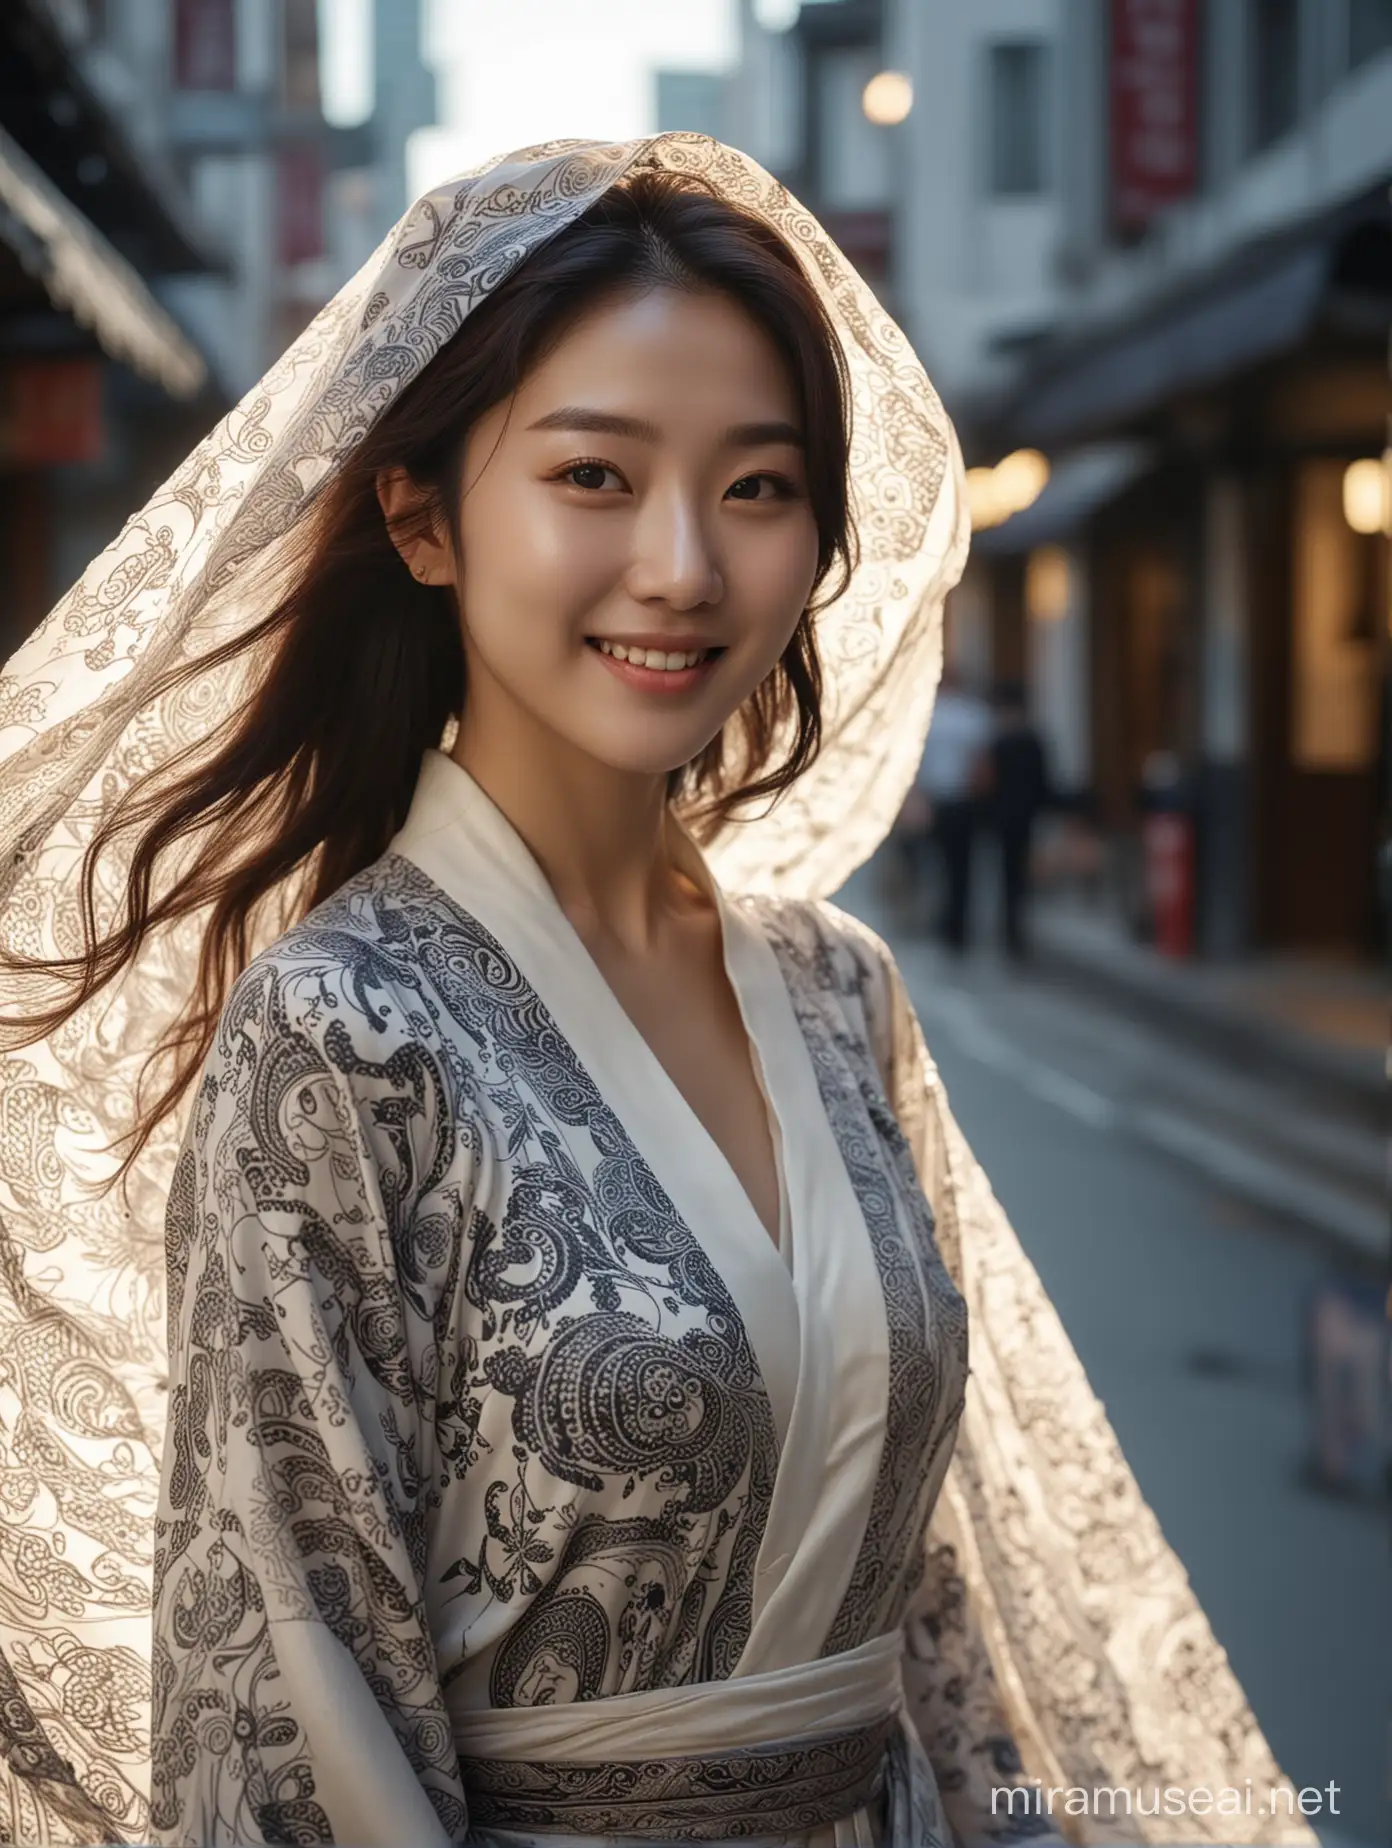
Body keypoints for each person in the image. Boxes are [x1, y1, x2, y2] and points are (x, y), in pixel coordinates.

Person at [0, 138, 1317, 1848]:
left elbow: (935, 1596)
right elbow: (293, 1689)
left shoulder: (837, 988)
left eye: (758, 487)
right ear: (421, 515)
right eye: (596, 476)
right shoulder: (342, 1027)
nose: (685, 564)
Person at [913, 665, 992, 952]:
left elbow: (917, 762)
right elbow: (980, 764)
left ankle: (946, 922)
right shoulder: (973, 715)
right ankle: (957, 924)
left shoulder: (930, 713)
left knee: (938, 863)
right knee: (962, 866)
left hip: (939, 798)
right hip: (960, 799)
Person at [986, 680, 1052, 962]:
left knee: (1010, 874)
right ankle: (1013, 930)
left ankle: (1010, 929)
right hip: (1022, 816)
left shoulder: (1002, 742)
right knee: (1016, 875)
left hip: (1008, 816)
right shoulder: (1029, 740)